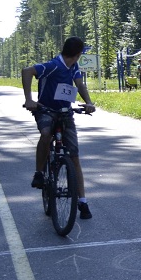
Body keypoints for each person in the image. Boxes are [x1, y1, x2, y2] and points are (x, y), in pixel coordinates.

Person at [23, 37, 98, 219]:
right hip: (46, 110)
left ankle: (82, 202)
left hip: (65, 112)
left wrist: (88, 102)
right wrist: (29, 99)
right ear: (78, 53)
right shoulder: (53, 65)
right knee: (47, 133)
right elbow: (27, 71)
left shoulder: (73, 68)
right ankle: (40, 173)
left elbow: (79, 84)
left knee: (74, 156)